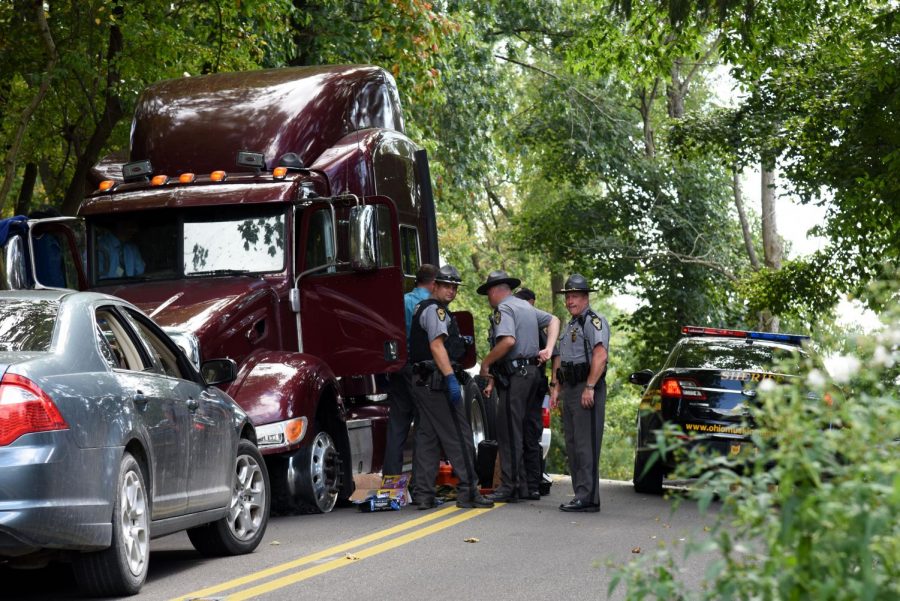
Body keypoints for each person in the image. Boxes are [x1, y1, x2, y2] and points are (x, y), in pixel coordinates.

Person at [408, 264, 494, 509]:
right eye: (446, 286)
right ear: (434, 285)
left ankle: (423, 494)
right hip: (436, 383)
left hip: (423, 381)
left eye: (454, 287)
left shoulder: (422, 308)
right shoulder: (436, 312)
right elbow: (437, 346)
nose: (451, 291)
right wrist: (450, 378)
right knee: (459, 435)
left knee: (428, 437)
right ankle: (469, 492)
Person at [478, 270, 559, 503]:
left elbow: (508, 341)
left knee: (508, 430)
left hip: (517, 376)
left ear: (495, 291)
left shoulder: (503, 309)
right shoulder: (525, 307)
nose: (488, 299)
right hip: (534, 375)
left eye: (488, 294)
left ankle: (509, 486)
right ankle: (527, 485)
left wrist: (486, 362)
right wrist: (549, 349)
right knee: (527, 430)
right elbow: (554, 320)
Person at [549, 274, 609, 513]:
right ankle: (580, 494)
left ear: (585, 298)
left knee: (586, 445)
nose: (570, 301)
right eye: (568, 297)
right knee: (573, 445)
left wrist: (590, 387)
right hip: (571, 388)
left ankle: (589, 498)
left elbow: (600, 356)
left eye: (574, 296)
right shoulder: (571, 324)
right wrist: (556, 387)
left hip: (587, 387)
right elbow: (562, 359)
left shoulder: (594, 322)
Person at [383, 264, 437, 479]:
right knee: (425, 425)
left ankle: (391, 482)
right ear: (433, 284)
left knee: (397, 425)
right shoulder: (431, 305)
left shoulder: (401, 301)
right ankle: (421, 483)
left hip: (399, 366)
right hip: (420, 369)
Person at [513, 287, 549, 499]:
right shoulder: (532, 322)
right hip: (532, 383)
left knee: (529, 433)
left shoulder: (534, 323)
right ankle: (529, 484)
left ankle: (531, 483)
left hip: (531, 384)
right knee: (528, 433)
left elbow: (549, 353)